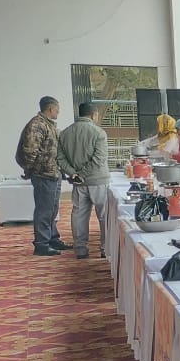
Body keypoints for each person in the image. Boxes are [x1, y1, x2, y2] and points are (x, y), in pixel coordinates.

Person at [15, 96, 71, 256]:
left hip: (53, 173)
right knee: (44, 210)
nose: (59, 112)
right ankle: (41, 244)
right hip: (43, 174)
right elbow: (29, 151)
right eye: (57, 109)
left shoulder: (48, 125)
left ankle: (53, 239)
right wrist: (30, 170)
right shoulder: (37, 125)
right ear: (50, 108)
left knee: (53, 209)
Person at [56, 103, 110, 259]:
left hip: (79, 184)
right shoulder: (99, 133)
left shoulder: (65, 133)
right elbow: (99, 159)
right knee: (104, 216)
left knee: (79, 216)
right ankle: (105, 249)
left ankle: (80, 250)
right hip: (98, 181)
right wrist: (83, 173)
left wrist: (74, 174)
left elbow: (60, 158)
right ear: (93, 115)